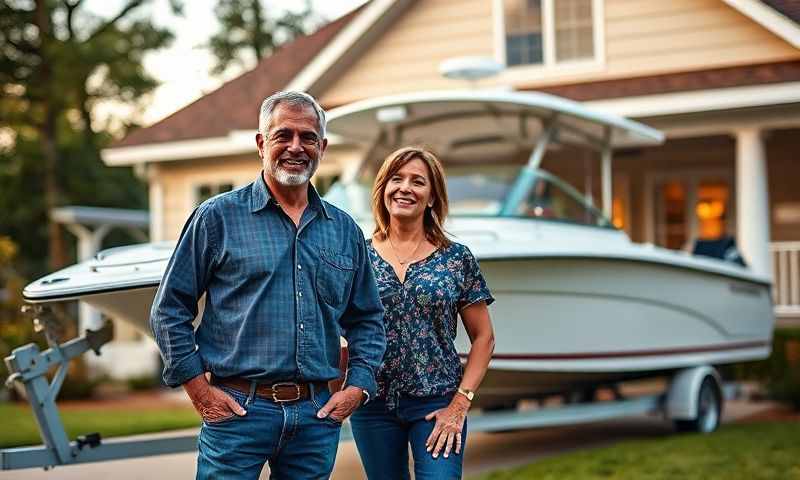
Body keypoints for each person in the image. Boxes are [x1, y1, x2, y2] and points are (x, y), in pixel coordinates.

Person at [149, 91, 386, 479]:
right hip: (237, 411)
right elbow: (169, 311)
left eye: (308, 137)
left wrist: (357, 386)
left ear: (322, 147)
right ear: (262, 144)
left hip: (315, 417)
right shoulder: (216, 218)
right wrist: (199, 391)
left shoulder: (344, 230)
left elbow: (367, 321)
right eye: (283, 135)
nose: (296, 147)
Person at [350, 146, 496, 479]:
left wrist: (460, 404)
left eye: (418, 182)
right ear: (383, 189)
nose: (405, 188)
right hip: (372, 405)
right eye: (396, 179)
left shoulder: (456, 258)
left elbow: (484, 338)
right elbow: (339, 327)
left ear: (431, 197)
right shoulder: (359, 254)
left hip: (438, 402)